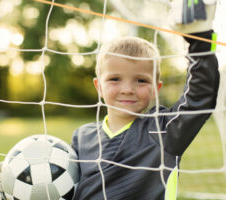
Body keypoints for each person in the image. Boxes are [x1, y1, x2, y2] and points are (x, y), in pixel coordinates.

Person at [71, 1, 220, 200]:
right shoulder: (81, 137)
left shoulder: (164, 131)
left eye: (141, 81)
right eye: (115, 79)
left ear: (155, 90)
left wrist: (200, 39)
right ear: (99, 86)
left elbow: (200, 96)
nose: (127, 90)